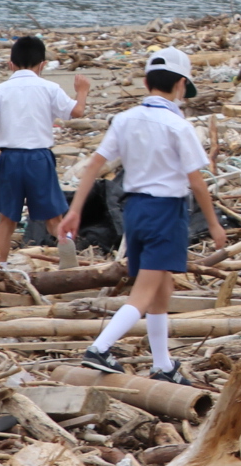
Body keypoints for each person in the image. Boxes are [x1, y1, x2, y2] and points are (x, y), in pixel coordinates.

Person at [63, 49, 228, 383]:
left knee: (161, 288)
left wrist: (74, 209)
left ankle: (163, 365)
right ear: (181, 85)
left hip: (134, 210)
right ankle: (100, 347)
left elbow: (95, 164)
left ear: (145, 82)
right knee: (144, 292)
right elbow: (196, 180)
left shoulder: (125, 119)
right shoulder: (178, 126)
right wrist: (213, 223)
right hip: (165, 212)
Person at [0, 35, 89, 263]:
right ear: (43, 65)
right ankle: (69, 255)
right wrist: (82, 91)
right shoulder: (49, 87)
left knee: (7, 220)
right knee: (53, 219)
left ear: (11, 65)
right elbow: (77, 112)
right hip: (39, 158)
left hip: (9, 159)